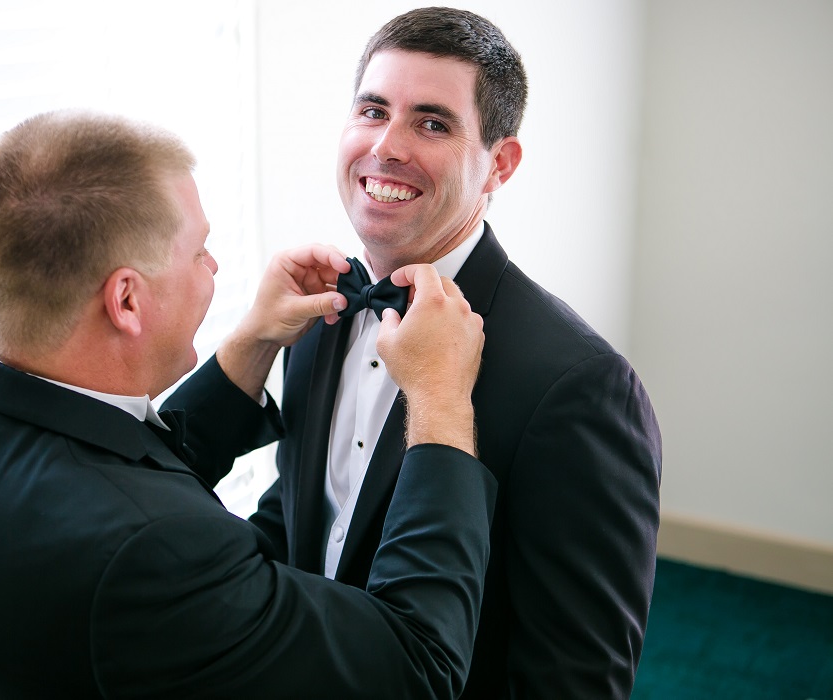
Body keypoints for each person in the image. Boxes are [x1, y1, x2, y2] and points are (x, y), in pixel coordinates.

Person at [0, 109, 498, 699]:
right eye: (199, 252)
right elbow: (420, 665)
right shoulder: (159, 553)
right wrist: (440, 400)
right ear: (125, 301)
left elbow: (113, 468)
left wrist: (251, 344)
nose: (215, 268)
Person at [248, 8, 663, 698]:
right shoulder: (317, 311)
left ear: (500, 163)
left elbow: (576, 678)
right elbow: (304, 521)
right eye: (372, 110)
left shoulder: (580, 387)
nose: (386, 145)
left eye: (432, 123)